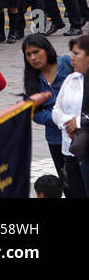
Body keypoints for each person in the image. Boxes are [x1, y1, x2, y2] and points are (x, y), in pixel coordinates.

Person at [24, 33, 77, 195]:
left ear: (46, 50)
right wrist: (58, 118)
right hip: (55, 138)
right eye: (28, 55)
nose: (33, 58)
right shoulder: (32, 78)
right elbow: (35, 113)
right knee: (67, 183)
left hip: (78, 133)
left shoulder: (67, 64)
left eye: (36, 52)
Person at [51, 33, 89, 198]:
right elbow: (56, 110)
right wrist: (67, 122)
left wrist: (79, 122)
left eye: (76, 53)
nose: (71, 58)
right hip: (70, 147)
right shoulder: (71, 79)